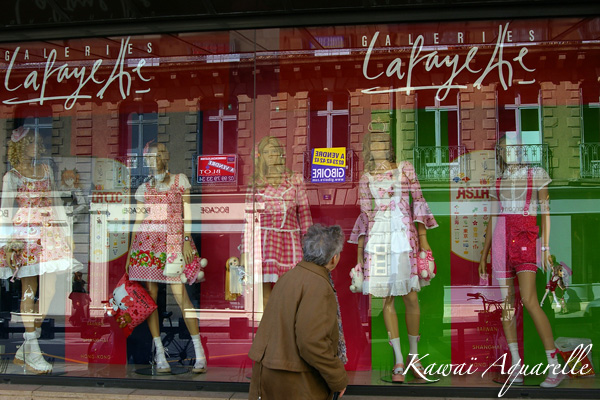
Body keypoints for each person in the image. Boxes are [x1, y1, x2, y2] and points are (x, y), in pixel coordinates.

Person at [349, 131, 437, 383]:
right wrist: (359, 257)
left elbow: (419, 201)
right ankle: (399, 358)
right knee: (387, 299)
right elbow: (365, 218)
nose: (378, 146)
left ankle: (414, 355)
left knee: (411, 297)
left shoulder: (405, 168)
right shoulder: (366, 178)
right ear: (368, 147)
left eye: (382, 142)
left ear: (389, 146)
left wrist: (423, 241)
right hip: (378, 240)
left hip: (403, 237)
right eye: (373, 142)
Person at [478, 137, 566, 387]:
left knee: (529, 300)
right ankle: (516, 366)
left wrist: (546, 247)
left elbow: (546, 210)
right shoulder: (499, 180)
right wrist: (484, 253)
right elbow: (493, 217)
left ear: (522, 150)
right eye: (503, 149)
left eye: (513, 148)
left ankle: (554, 366)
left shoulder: (536, 173)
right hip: (501, 238)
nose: (509, 153)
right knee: (507, 304)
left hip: (526, 236)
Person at [0, 126, 83, 373]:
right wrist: (5, 244)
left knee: (52, 287)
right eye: (30, 143)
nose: (35, 146)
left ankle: (28, 344)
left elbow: (56, 203)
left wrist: (67, 234)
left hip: (49, 233)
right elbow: (4, 212)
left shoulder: (46, 171)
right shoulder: (11, 176)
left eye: (37, 142)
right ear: (19, 147)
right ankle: (32, 348)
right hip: (25, 233)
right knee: (29, 288)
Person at [125, 141, 207, 374]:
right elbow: (139, 221)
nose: (156, 157)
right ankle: (160, 353)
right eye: (151, 154)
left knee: (181, 297)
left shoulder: (179, 180)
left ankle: (199, 352)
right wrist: (131, 252)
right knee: (151, 300)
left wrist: (185, 239)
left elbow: (187, 213)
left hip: (173, 243)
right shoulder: (144, 188)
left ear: (167, 156)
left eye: (160, 153)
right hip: (148, 245)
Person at [248, 224, 348, 400]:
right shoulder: (318, 285)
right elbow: (312, 342)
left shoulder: (288, 277)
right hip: (296, 382)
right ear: (333, 258)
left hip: (270, 375)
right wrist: (338, 378)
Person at [239, 136, 312, 308]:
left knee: (289, 289)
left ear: (281, 154)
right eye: (266, 152)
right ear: (261, 156)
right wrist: (245, 250)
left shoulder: (295, 180)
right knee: (264, 290)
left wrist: (308, 245)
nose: (271, 155)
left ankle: (286, 327)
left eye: (274, 150)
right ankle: (271, 328)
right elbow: (249, 220)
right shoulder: (255, 183)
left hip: (290, 240)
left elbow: (305, 213)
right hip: (264, 241)